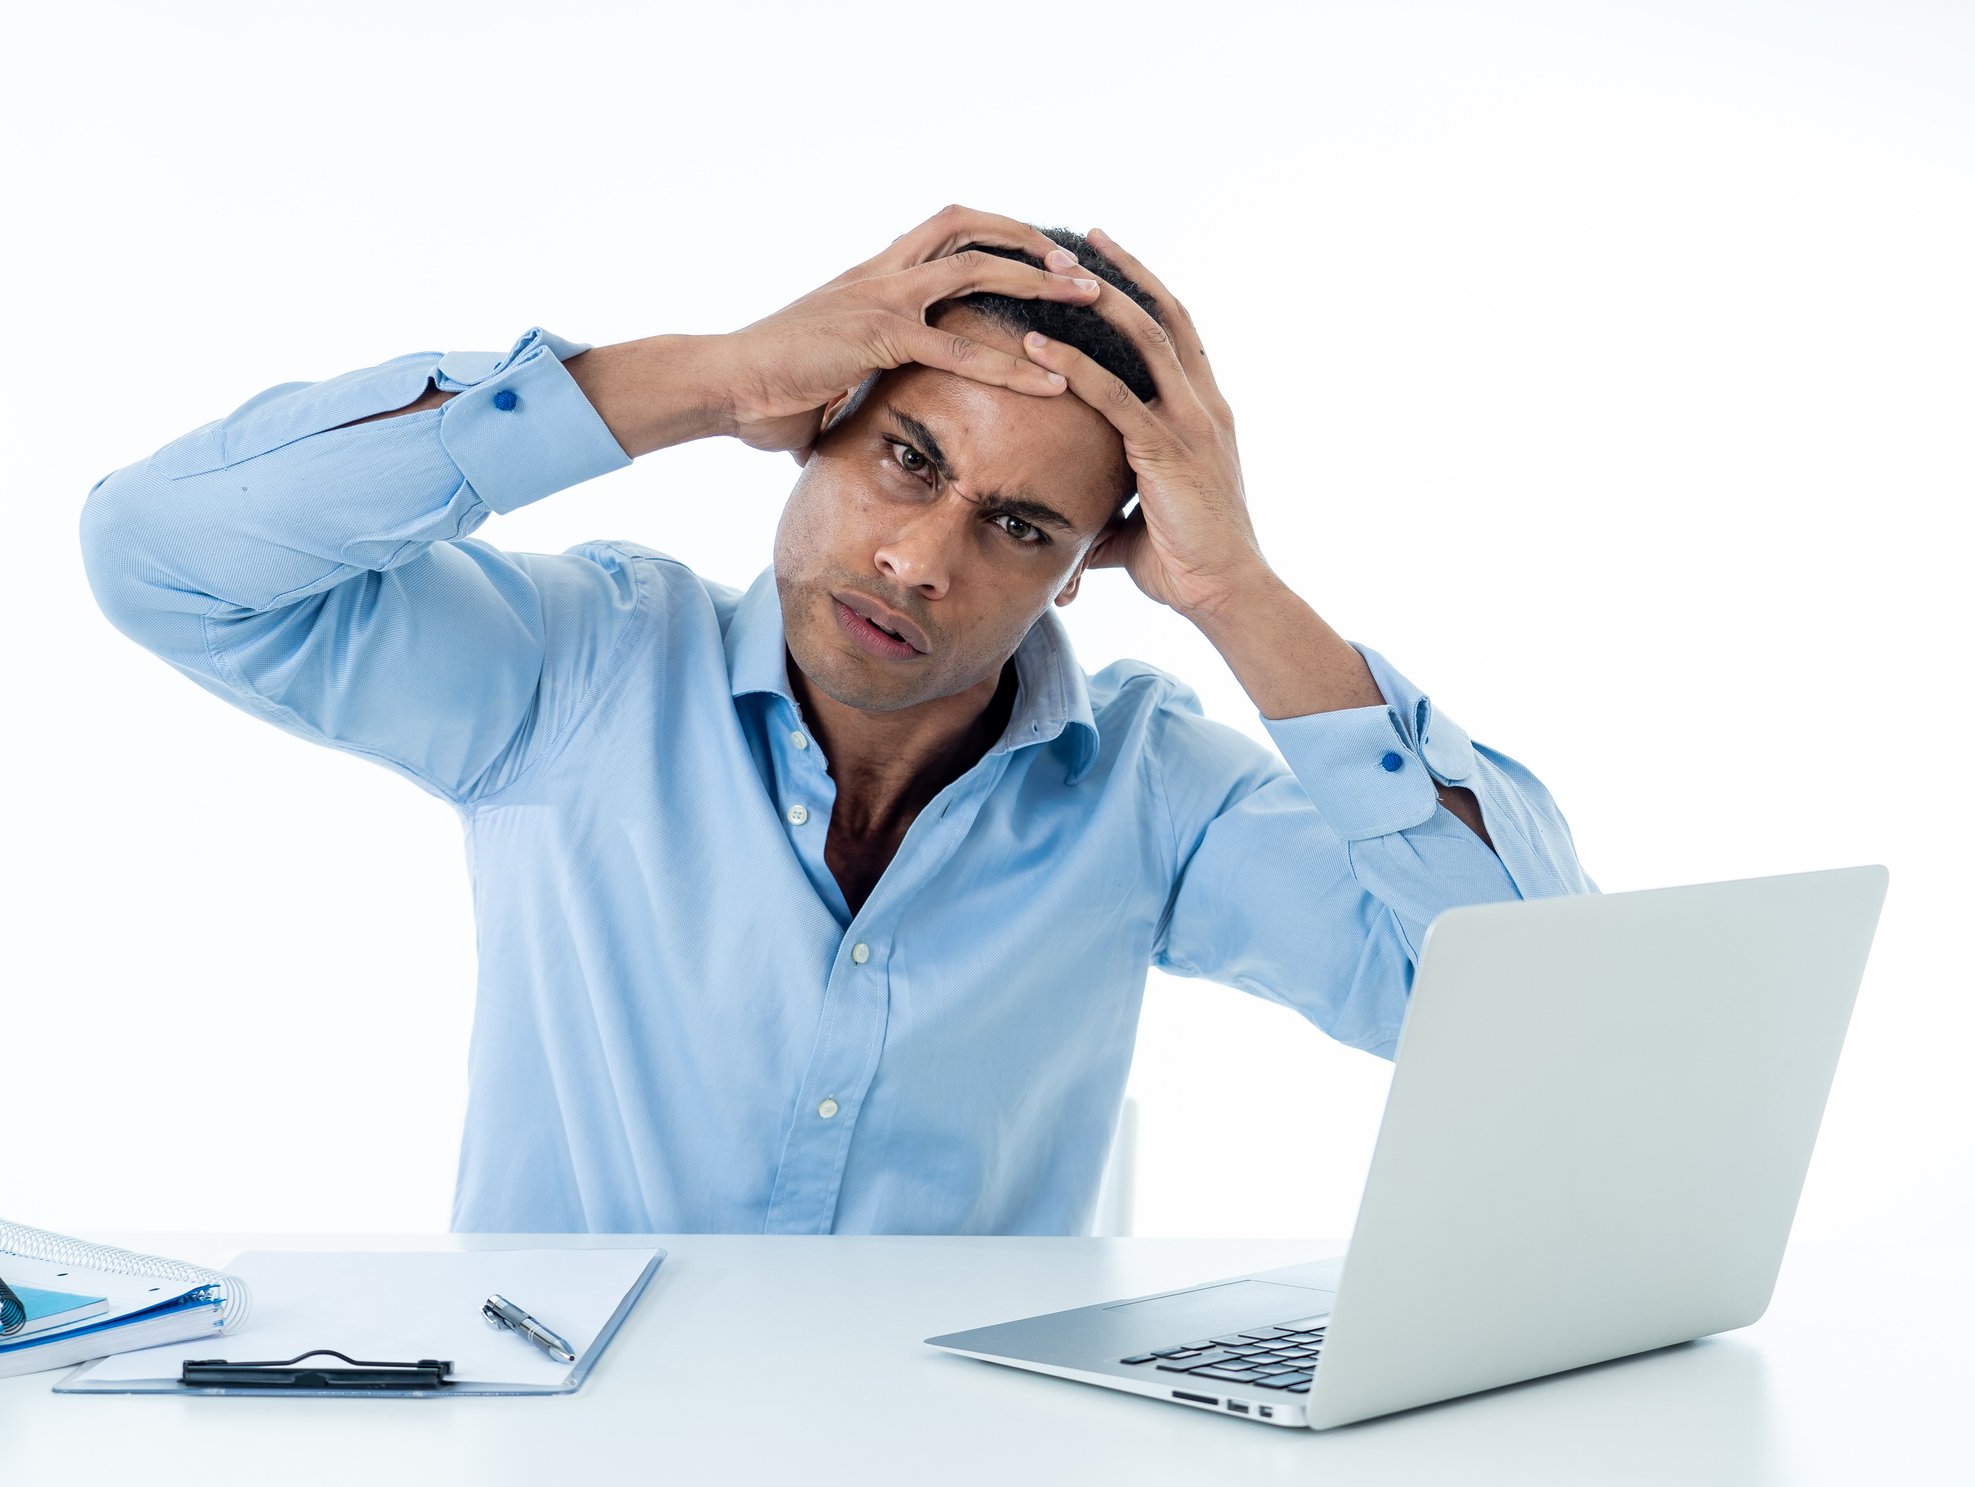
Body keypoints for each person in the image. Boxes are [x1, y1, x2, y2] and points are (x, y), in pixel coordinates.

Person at [79, 204, 1597, 1236]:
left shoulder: (1146, 789)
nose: (920, 559)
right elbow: (166, 555)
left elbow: (1529, 1007)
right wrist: (708, 374)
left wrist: (1236, 588)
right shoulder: (574, 673)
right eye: (908, 461)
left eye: (1018, 528)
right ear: (817, 429)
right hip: (569, 1442)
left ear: (1085, 573)